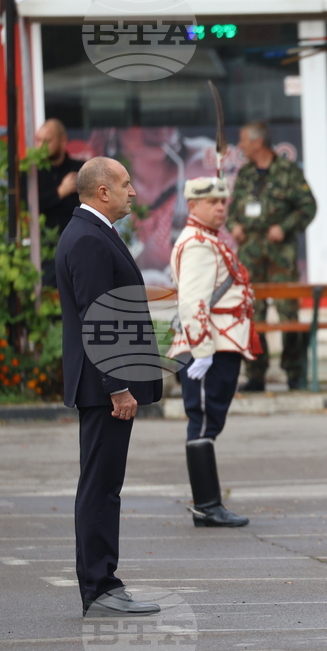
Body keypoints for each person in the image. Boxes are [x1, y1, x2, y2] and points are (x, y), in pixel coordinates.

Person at [56, 157, 163, 616]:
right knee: (100, 487)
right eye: (125, 183)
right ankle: (100, 587)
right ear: (102, 191)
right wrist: (117, 385)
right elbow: (98, 318)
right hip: (105, 389)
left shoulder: (94, 233)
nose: (133, 191)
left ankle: (100, 582)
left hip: (106, 386)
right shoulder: (87, 239)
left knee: (102, 485)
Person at [167, 177, 258, 528]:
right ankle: (207, 506)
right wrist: (202, 350)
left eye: (223, 200)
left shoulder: (207, 240)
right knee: (203, 422)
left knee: (208, 422)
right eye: (212, 202)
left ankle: (208, 505)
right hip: (210, 348)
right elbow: (194, 302)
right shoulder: (198, 246)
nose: (221, 206)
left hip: (219, 345)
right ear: (193, 206)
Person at [228, 122, 317, 391]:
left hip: (280, 254)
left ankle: (295, 374)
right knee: (252, 314)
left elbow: (308, 207)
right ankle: (256, 374)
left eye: (244, 140)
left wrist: (285, 226)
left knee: (288, 314)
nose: (240, 146)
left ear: (258, 143)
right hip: (250, 253)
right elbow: (232, 211)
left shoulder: (288, 172)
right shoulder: (245, 174)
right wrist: (234, 226)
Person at [27, 119, 85, 287]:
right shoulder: (31, 174)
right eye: (38, 140)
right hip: (45, 251)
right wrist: (61, 192)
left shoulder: (80, 169)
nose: (41, 146)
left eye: (47, 140)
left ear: (63, 141)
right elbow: (30, 207)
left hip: (78, 246)